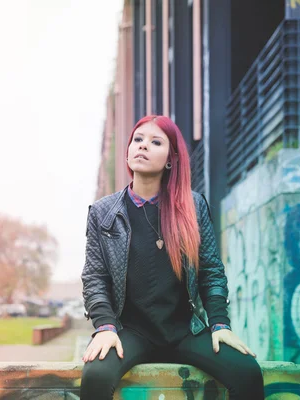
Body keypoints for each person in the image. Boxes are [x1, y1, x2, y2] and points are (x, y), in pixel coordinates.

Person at [80, 115, 264, 399]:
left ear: (170, 159)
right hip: (130, 331)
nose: (142, 146)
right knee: (95, 375)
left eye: (155, 142)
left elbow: (211, 271)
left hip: (185, 331)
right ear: (128, 151)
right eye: (138, 140)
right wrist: (105, 327)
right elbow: (94, 278)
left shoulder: (193, 206)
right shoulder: (103, 213)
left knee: (247, 371)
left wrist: (220, 324)